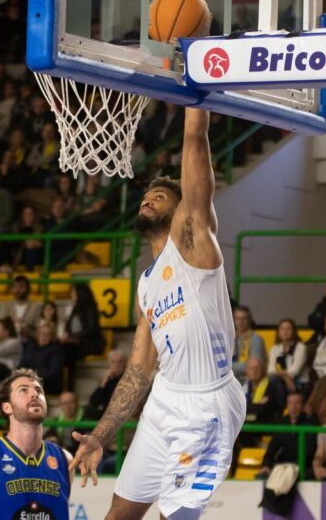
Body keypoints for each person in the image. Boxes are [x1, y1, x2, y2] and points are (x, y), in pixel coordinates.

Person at [70, 106, 246, 520]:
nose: (149, 198)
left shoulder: (192, 242)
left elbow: (195, 142)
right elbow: (136, 373)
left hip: (207, 404)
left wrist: (194, 98)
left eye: (161, 196)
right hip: (165, 399)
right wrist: (100, 437)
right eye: (147, 195)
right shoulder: (146, 285)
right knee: (118, 514)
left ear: (184, 208)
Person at [0, 368, 72, 520]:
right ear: (7, 407)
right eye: (23, 390)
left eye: (39, 390)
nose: (34, 394)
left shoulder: (65, 459)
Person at [231, 305, 266, 382]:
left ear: (249, 320)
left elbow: (253, 366)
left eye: (244, 319)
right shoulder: (230, 338)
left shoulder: (256, 339)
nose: (241, 322)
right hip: (231, 379)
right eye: (237, 319)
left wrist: (228, 368)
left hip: (248, 380)